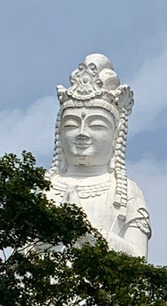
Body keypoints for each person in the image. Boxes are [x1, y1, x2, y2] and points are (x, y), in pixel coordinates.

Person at [48, 54, 150, 259]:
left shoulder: (126, 191)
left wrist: (89, 236)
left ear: (115, 135)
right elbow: (17, 256)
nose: (82, 134)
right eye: (71, 125)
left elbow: (139, 264)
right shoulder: (44, 188)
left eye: (96, 125)